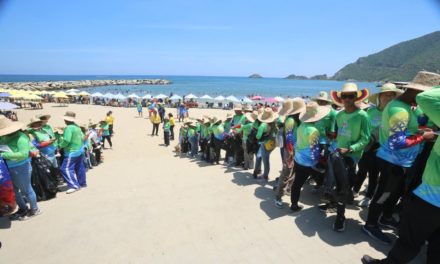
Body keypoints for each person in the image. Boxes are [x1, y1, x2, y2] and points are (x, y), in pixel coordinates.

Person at [361, 71, 440, 264]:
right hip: (392, 161)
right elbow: (397, 142)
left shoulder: (405, 107)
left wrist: (420, 131)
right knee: (384, 193)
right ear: (416, 92)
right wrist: (424, 137)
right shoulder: (401, 110)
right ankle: (371, 224)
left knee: (392, 193)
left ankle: (384, 218)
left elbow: (404, 132)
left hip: (399, 162)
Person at [326, 83, 371, 232]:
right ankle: (337, 207)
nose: (346, 99)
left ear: (356, 97)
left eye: (350, 96)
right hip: (338, 154)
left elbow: (366, 138)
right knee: (337, 183)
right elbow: (338, 135)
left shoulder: (363, 115)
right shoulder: (339, 115)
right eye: (344, 96)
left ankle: (340, 216)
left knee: (344, 185)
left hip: (352, 156)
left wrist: (350, 148)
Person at [352, 83, 402, 207]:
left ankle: (369, 196)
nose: (389, 97)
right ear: (380, 96)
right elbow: (364, 127)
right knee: (362, 168)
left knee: (374, 173)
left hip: (381, 147)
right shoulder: (371, 110)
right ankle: (355, 190)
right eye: (386, 95)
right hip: (367, 145)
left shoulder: (394, 113)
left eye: (392, 95)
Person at [289, 102, 330, 211]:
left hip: (298, 159)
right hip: (308, 162)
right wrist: (319, 160)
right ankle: (323, 195)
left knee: (297, 183)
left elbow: (298, 142)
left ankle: (294, 204)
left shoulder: (301, 126)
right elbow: (314, 150)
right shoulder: (314, 131)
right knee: (322, 175)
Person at [0, 116, 41, 220]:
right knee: (14, 191)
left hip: (21, 167)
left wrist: (5, 155)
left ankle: (35, 209)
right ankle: (23, 209)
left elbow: (23, 154)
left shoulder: (21, 137)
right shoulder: (4, 137)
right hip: (9, 168)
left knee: (26, 190)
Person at [274, 98, 306, 208]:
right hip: (289, 150)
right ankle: (278, 196)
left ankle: (288, 189)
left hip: (296, 149)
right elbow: (288, 138)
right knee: (286, 172)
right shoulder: (291, 120)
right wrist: (291, 152)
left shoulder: (298, 120)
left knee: (293, 171)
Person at [58, 111, 87, 194]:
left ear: (66, 120)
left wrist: (60, 145)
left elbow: (66, 140)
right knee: (79, 167)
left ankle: (74, 185)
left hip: (71, 151)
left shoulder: (69, 128)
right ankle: (82, 183)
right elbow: (82, 137)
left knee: (65, 168)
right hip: (79, 150)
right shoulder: (77, 127)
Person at [253, 107, 279, 184]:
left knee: (265, 160)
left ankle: (265, 176)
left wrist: (257, 130)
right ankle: (260, 172)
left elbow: (258, 136)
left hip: (265, 144)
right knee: (261, 156)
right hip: (272, 143)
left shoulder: (263, 125)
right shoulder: (274, 123)